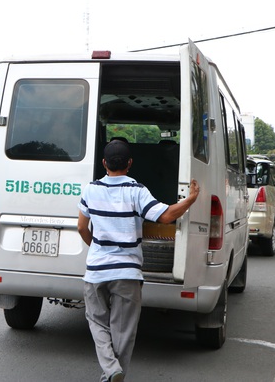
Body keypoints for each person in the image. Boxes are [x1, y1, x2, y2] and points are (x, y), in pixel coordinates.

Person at [77, 140, 200, 382]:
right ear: (130, 164)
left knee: (96, 321)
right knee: (123, 331)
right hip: (127, 274)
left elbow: (82, 227)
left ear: (104, 163)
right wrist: (190, 200)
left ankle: (111, 370)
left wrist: (99, 250)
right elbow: (165, 216)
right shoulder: (136, 191)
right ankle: (113, 373)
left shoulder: (90, 190)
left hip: (96, 272)